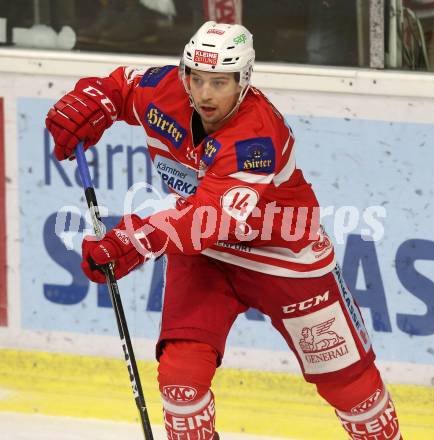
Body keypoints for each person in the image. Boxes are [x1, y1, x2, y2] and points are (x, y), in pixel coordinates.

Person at [45, 21, 403, 440]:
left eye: (220, 82)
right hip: (207, 257)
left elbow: (211, 219)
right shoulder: (166, 90)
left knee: (352, 389)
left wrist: (133, 240)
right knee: (180, 380)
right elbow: (122, 86)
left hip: (285, 257)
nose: (204, 94)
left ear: (244, 80)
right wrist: (95, 100)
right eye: (196, 79)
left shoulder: (256, 137)